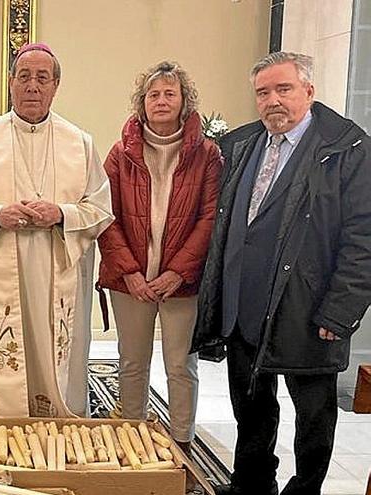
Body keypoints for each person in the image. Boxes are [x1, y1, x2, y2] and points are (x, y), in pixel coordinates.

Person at [192, 52, 371, 495]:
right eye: (263, 92)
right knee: (251, 406)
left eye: (284, 89)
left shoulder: (345, 149)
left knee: (313, 415)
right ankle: (253, 483)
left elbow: (364, 236)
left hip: (308, 309)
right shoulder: (243, 144)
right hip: (243, 305)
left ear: (308, 91)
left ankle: (305, 488)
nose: (273, 100)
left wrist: (341, 311)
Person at [0, 43, 113, 417]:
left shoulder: (79, 143)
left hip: (57, 270)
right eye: (25, 77)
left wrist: (62, 214)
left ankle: (56, 424)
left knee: (55, 352)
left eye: (42, 78)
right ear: (11, 82)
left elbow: (100, 208)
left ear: (55, 86)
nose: (33, 86)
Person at [97, 61, 221, 452]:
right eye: (154, 94)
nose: (161, 100)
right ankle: (131, 438)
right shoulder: (120, 154)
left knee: (180, 365)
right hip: (130, 280)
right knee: (132, 362)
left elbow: (209, 218)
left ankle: (181, 442)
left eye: (170, 93)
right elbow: (105, 215)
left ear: (184, 101)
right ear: (142, 103)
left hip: (182, 282)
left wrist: (176, 273)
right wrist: (130, 272)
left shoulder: (207, 154)